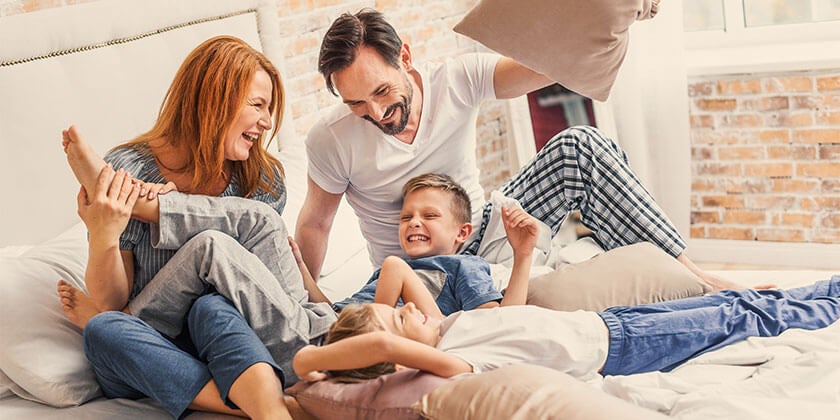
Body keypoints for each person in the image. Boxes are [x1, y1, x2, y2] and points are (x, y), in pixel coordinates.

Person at [295, 8, 739, 292]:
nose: (374, 111)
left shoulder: (456, 80)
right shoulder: (331, 140)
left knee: (579, 146)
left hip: (482, 227)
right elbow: (316, 222)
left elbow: (546, 67)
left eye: (380, 90)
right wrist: (306, 298)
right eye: (355, 102)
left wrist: (613, 17)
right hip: (419, 267)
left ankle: (693, 277)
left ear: (405, 58)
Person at [57, 35, 330, 419]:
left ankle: (153, 208)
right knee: (105, 330)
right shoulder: (130, 169)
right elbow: (111, 304)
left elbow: (267, 297)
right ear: (214, 99)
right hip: (151, 345)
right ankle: (259, 403)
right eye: (258, 105)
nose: (268, 122)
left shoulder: (262, 180)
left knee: (212, 304)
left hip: (231, 338)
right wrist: (104, 234)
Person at [293, 271, 840, 383]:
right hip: (623, 349)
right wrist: (310, 364)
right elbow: (387, 342)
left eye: (398, 308)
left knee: (739, 298)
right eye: (398, 316)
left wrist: (370, 318)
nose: (406, 308)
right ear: (393, 359)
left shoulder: (443, 325)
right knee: (745, 318)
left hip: (608, 322)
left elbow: (394, 272)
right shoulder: (456, 365)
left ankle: (828, 287)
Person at [332, 173, 539, 315]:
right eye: (405, 217)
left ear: (462, 232)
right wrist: (302, 268)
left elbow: (497, 321)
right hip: (331, 319)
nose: (413, 222)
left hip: (361, 332)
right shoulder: (383, 273)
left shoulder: (463, 266)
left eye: (430, 215)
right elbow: (337, 308)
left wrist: (523, 255)